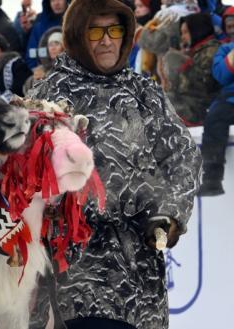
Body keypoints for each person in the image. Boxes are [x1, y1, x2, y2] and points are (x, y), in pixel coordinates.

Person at [27, 0, 201, 328]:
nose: (107, 39)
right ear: (79, 35)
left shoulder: (144, 93)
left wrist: (170, 214)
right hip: (74, 273)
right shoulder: (49, 96)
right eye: (96, 30)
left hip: (139, 273)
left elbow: (182, 155)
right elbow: (23, 173)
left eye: (115, 30)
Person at [162, 12, 221, 126]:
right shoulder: (200, 51)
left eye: (186, 32)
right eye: (181, 33)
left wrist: (182, 63)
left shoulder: (211, 51)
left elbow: (203, 88)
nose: (183, 37)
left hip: (200, 109)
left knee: (172, 58)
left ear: (197, 30)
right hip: (193, 104)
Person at [198, 41, 234, 196]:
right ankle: (212, 178)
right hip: (230, 100)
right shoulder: (226, 49)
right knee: (215, 116)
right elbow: (221, 75)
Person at [25, 0, 70, 68]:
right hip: (46, 72)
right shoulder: (40, 25)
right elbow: (31, 55)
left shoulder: (75, 23)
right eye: (52, 0)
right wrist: (36, 69)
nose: (56, 3)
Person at [24, 27, 63, 93]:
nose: (53, 48)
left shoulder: (70, 67)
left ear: (64, 47)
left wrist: (46, 79)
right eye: (50, 45)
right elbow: (27, 91)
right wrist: (34, 80)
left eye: (57, 44)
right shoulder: (42, 68)